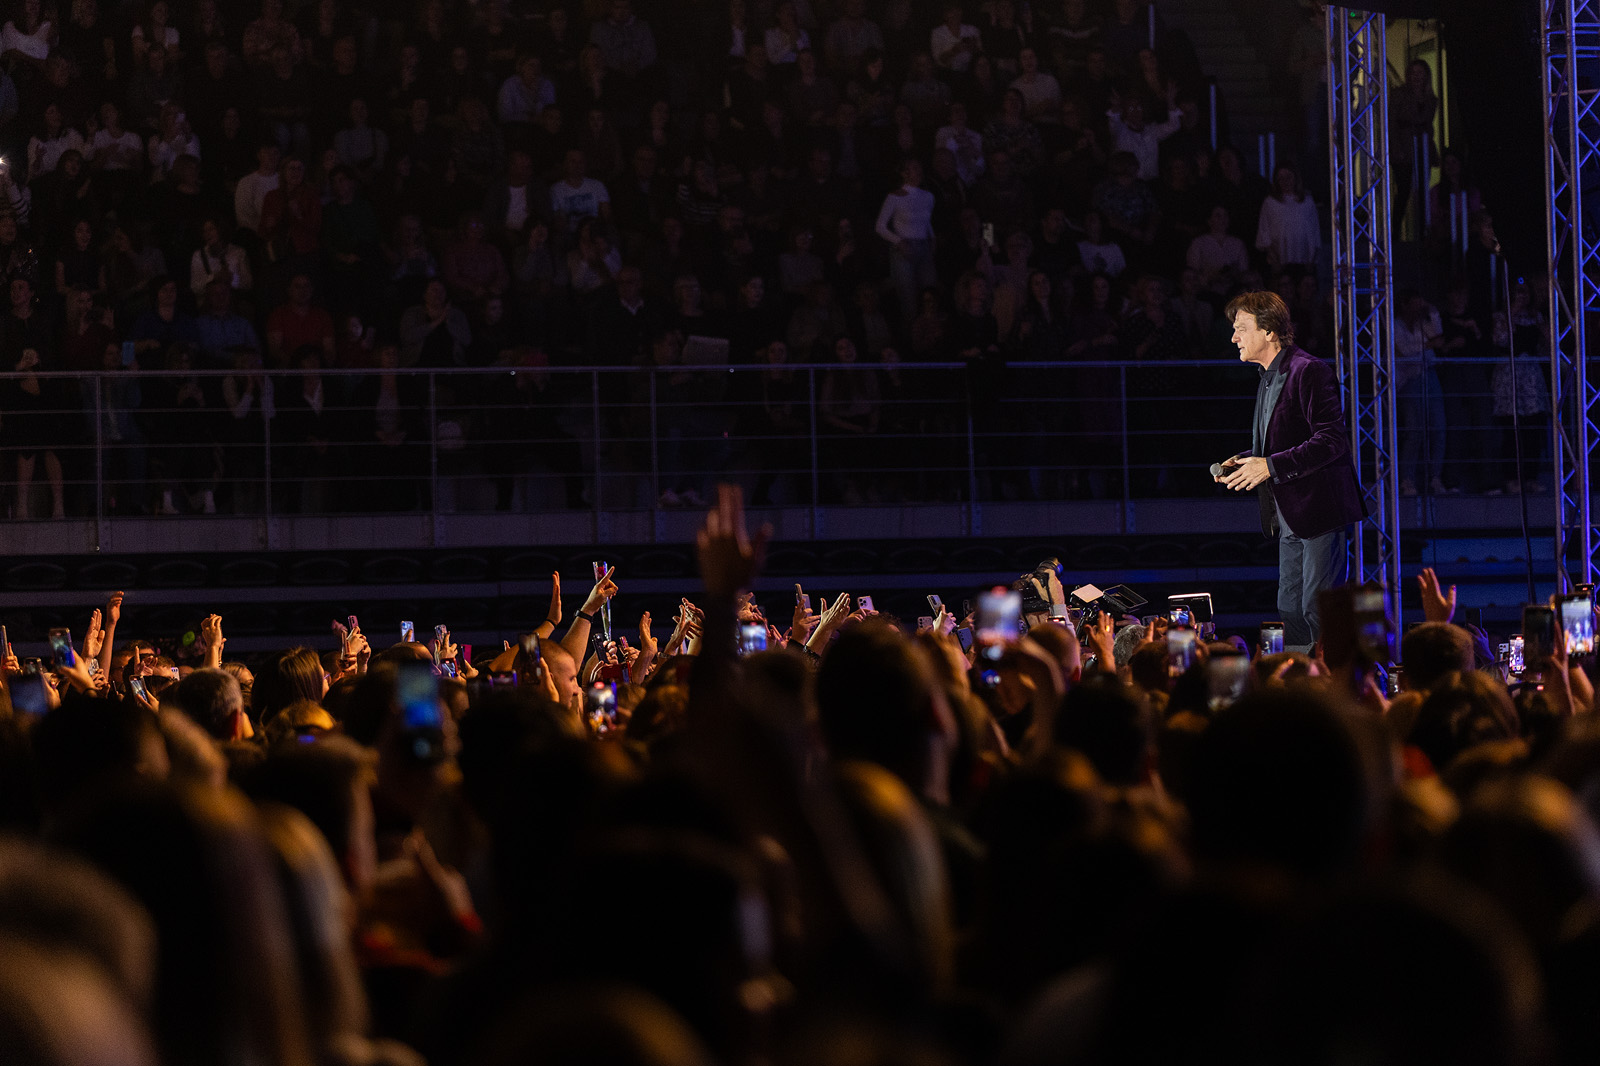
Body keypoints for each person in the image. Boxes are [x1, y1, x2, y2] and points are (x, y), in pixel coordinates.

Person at [1214, 290, 1365, 649]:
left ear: (1269, 331)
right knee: (1290, 608)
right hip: (1288, 511)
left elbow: (1331, 440)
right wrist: (1249, 459)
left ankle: (1330, 683)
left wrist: (1269, 465)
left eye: (1241, 328)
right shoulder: (1268, 375)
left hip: (1317, 509)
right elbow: (1281, 441)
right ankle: (1302, 679)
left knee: (1317, 607)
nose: (1234, 337)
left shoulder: (1308, 370)